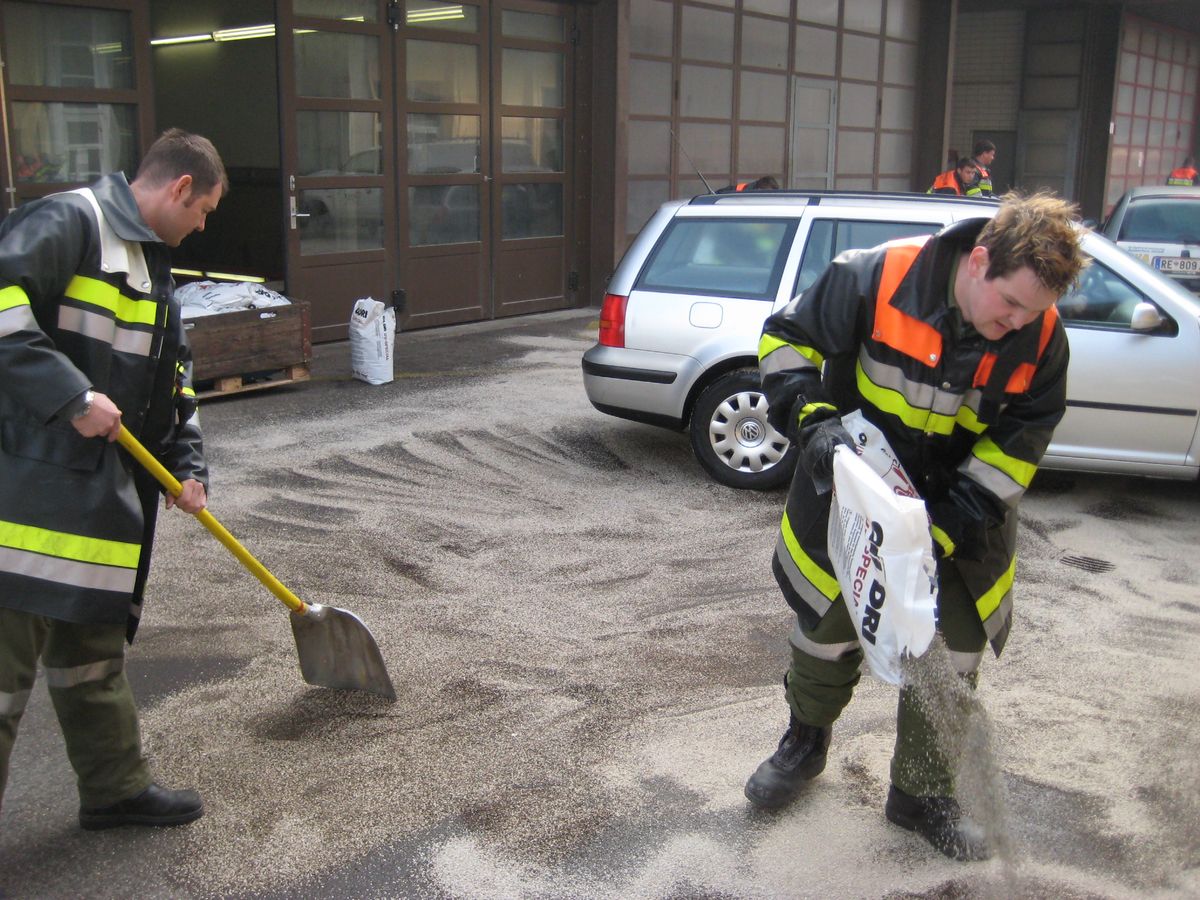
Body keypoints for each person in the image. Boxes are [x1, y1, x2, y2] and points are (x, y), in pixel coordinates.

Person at [748, 192, 1085, 860]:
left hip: (963, 515)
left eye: (1034, 312)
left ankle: (920, 795)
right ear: (979, 261)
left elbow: (1021, 440)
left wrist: (950, 523)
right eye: (1010, 304)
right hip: (856, 495)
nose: (1018, 322)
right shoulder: (872, 276)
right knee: (828, 631)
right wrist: (809, 419)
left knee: (952, 658)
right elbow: (785, 339)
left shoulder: (1041, 339)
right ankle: (804, 745)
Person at [0, 128, 226, 829]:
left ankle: (114, 789)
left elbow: (174, 388)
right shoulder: (74, 221)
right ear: (180, 187)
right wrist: (71, 395)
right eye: (204, 212)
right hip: (21, 504)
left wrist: (187, 469)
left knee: (91, 665)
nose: (200, 228)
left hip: (97, 514)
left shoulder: (155, 273)